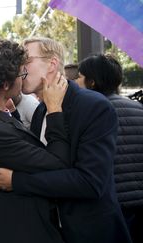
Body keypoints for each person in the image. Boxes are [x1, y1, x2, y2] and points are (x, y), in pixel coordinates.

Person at [0, 37, 132, 243]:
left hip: (91, 232)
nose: (19, 69)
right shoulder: (40, 111)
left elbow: (90, 182)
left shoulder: (94, 106)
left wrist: (18, 181)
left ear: (52, 64)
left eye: (26, 61)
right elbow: (46, 164)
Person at [0, 39, 70, 243]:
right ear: (5, 84)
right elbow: (57, 162)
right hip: (21, 226)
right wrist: (54, 110)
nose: (23, 78)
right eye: (21, 74)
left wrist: (14, 115)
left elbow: (19, 143)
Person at [76, 54, 143, 243]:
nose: (76, 82)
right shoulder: (138, 108)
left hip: (115, 204)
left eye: (80, 77)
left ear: (92, 82)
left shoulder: (94, 112)